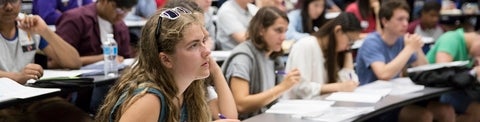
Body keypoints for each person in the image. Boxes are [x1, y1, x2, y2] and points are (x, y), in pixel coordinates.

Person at [95, 7, 239, 121]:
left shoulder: (189, 88)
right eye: (194, 45)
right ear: (166, 59)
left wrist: (216, 71)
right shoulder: (149, 99)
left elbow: (228, 116)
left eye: (204, 41)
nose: (207, 51)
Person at [355, 1, 454, 121]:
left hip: (396, 97)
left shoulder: (402, 40)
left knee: (446, 111)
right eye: (400, 19)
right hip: (374, 104)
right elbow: (384, 74)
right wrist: (409, 48)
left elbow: (423, 69)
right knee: (423, 116)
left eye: (407, 19)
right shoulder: (372, 42)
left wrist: (417, 49)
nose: (405, 24)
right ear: (385, 21)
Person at [221, 6, 301, 119]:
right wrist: (282, 87)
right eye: (278, 30)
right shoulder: (243, 58)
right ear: (261, 30)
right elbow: (240, 105)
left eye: (285, 31)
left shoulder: (275, 57)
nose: (283, 37)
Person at [164, 0, 238, 120]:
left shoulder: (194, 77)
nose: (206, 33)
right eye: (199, 27)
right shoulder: (151, 94)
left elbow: (227, 117)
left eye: (204, 26)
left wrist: (216, 71)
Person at [0, 0, 81, 84]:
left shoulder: (28, 24)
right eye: (1, 2)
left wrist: (45, 31)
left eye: (13, 1)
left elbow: (74, 63)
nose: (9, 7)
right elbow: (19, 77)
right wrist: (17, 77)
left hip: (28, 92)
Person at [284, 12, 361, 99]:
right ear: (338, 31)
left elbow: (349, 83)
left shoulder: (336, 51)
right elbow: (300, 88)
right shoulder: (306, 45)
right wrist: (338, 87)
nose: (349, 46)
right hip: (299, 108)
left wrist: (348, 52)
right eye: (350, 41)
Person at [55, 0, 137, 66]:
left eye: (126, 12)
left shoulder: (121, 27)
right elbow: (55, 61)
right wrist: (103, 58)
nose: (121, 16)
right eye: (119, 10)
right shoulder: (75, 19)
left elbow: (125, 59)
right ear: (103, 1)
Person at [426, 28, 480, 121]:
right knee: (477, 112)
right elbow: (442, 71)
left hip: (455, 90)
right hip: (434, 92)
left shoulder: (472, 52)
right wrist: (473, 72)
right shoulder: (451, 39)